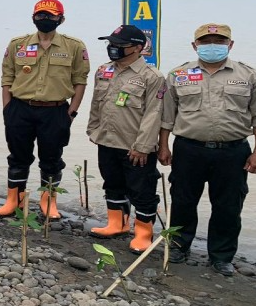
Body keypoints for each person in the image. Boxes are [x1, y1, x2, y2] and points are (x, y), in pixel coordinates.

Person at [159, 23, 256, 276]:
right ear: (195, 46)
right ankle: (179, 246)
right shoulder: (178, 74)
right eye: (206, 41)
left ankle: (221, 256)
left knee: (228, 206)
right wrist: (163, 146)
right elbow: (167, 116)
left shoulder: (248, 75)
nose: (212, 45)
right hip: (189, 149)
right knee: (182, 200)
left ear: (230, 45)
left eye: (219, 41)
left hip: (233, 151)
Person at [0, 0, 89, 219]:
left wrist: (71, 113)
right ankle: (14, 200)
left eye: (50, 16)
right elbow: (7, 77)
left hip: (55, 111)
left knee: (52, 159)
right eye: (40, 15)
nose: (45, 19)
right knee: (18, 157)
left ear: (61, 19)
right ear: (33, 17)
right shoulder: (17, 44)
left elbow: (80, 81)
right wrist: (7, 109)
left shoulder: (74, 46)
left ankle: (48, 202)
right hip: (20, 108)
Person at [87, 25, 164, 253]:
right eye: (111, 44)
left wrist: (143, 146)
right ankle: (116, 224)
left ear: (138, 48)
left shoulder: (152, 76)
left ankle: (143, 233)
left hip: (135, 146)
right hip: (107, 140)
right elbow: (96, 104)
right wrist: (94, 130)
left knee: (141, 189)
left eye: (120, 46)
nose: (114, 49)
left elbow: (154, 114)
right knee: (112, 182)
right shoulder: (104, 70)